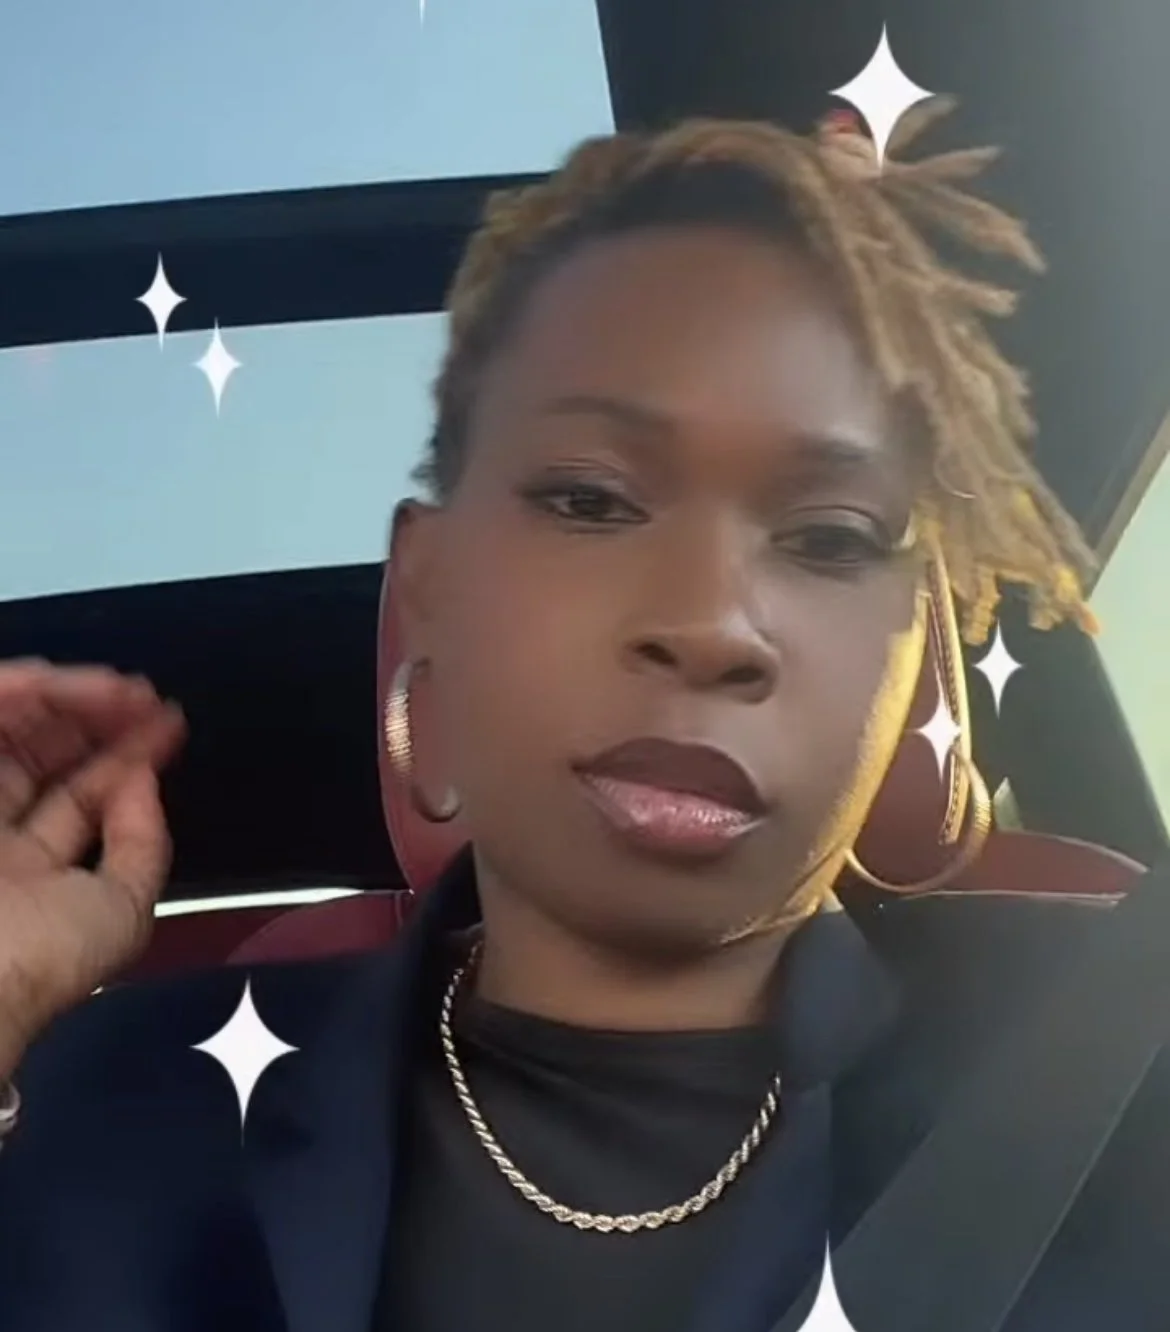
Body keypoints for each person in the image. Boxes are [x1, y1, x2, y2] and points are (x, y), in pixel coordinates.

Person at [0, 100, 1159, 1332]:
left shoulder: (1125, 1052)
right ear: (429, 589)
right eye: (591, 500)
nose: (711, 622)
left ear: (914, 642)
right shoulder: (108, 1103)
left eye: (830, 535)